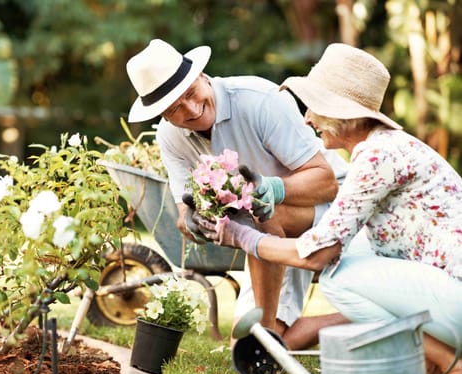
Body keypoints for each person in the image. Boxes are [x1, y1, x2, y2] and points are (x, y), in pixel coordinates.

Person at [194, 43, 462, 374]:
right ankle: (433, 363)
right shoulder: (381, 148)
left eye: (314, 107)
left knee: (337, 275)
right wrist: (266, 212)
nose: (307, 119)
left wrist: (239, 236)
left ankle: (452, 365)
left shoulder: (378, 157)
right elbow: (329, 236)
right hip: (447, 287)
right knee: (356, 254)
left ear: (342, 113)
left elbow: (318, 254)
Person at [125, 38, 350, 350]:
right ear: (162, 115)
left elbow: (327, 182)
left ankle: (266, 334)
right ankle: (363, 321)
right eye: (175, 109)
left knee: (260, 212)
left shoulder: (259, 100)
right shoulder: (170, 137)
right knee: (241, 347)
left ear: (201, 76)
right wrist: (194, 220)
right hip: (268, 237)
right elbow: (183, 212)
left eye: (191, 93)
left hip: (334, 211)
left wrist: (272, 188)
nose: (190, 109)